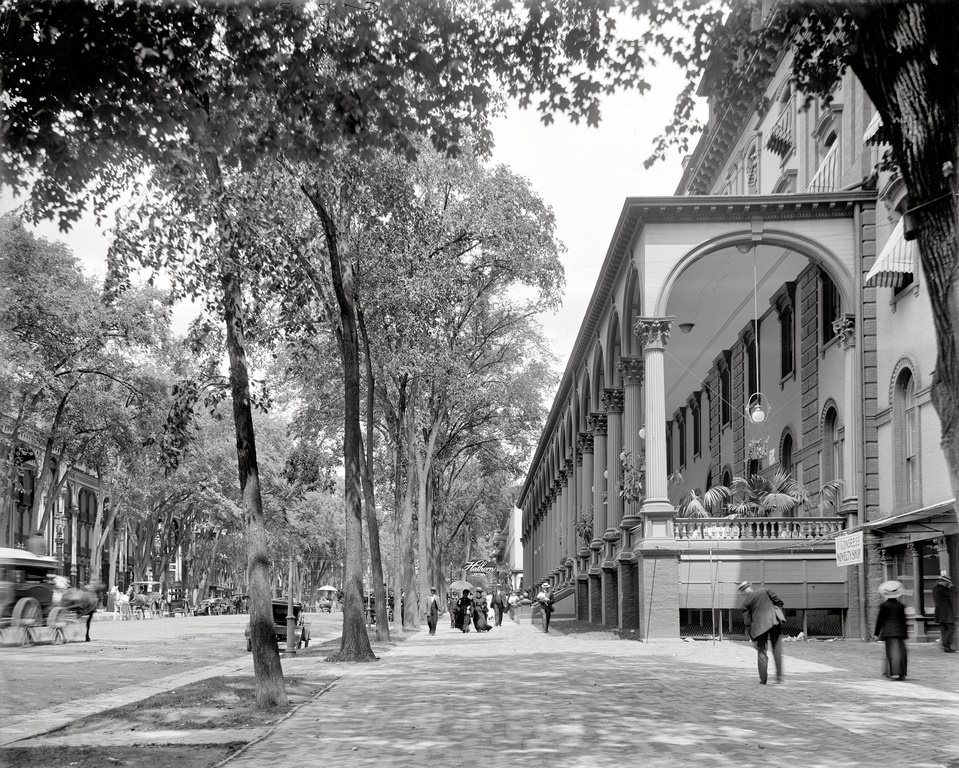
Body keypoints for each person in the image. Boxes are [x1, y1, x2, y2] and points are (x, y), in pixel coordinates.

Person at [738, 581, 784, 684]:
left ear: (743, 592)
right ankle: (779, 677)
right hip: (774, 622)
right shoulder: (765, 590)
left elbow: (747, 623)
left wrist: (753, 638)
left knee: (762, 653)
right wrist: (776, 613)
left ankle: (763, 680)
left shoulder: (745, 603)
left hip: (759, 629)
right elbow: (779, 602)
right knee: (777, 650)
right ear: (750, 587)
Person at [874, 579, 908, 679]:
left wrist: (876, 633)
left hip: (888, 632)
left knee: (891, 652)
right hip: (899, 632)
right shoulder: (900, 606)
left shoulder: (884, 606)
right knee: (900, 653)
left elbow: (880, 621)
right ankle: (900, 672)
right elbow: (903, 621)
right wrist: (905, 633)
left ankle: (891, 671)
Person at [933, 571, 956, 653]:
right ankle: (946, 646)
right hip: (945, 613)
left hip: (940, 613)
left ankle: (945, 646)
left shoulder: (936, 588)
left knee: (944, 630)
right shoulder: (941, 589)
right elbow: (949, 594)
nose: (948, 584)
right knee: (950, 628)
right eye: (948, 582)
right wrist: (951, 588)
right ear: (944, 582)